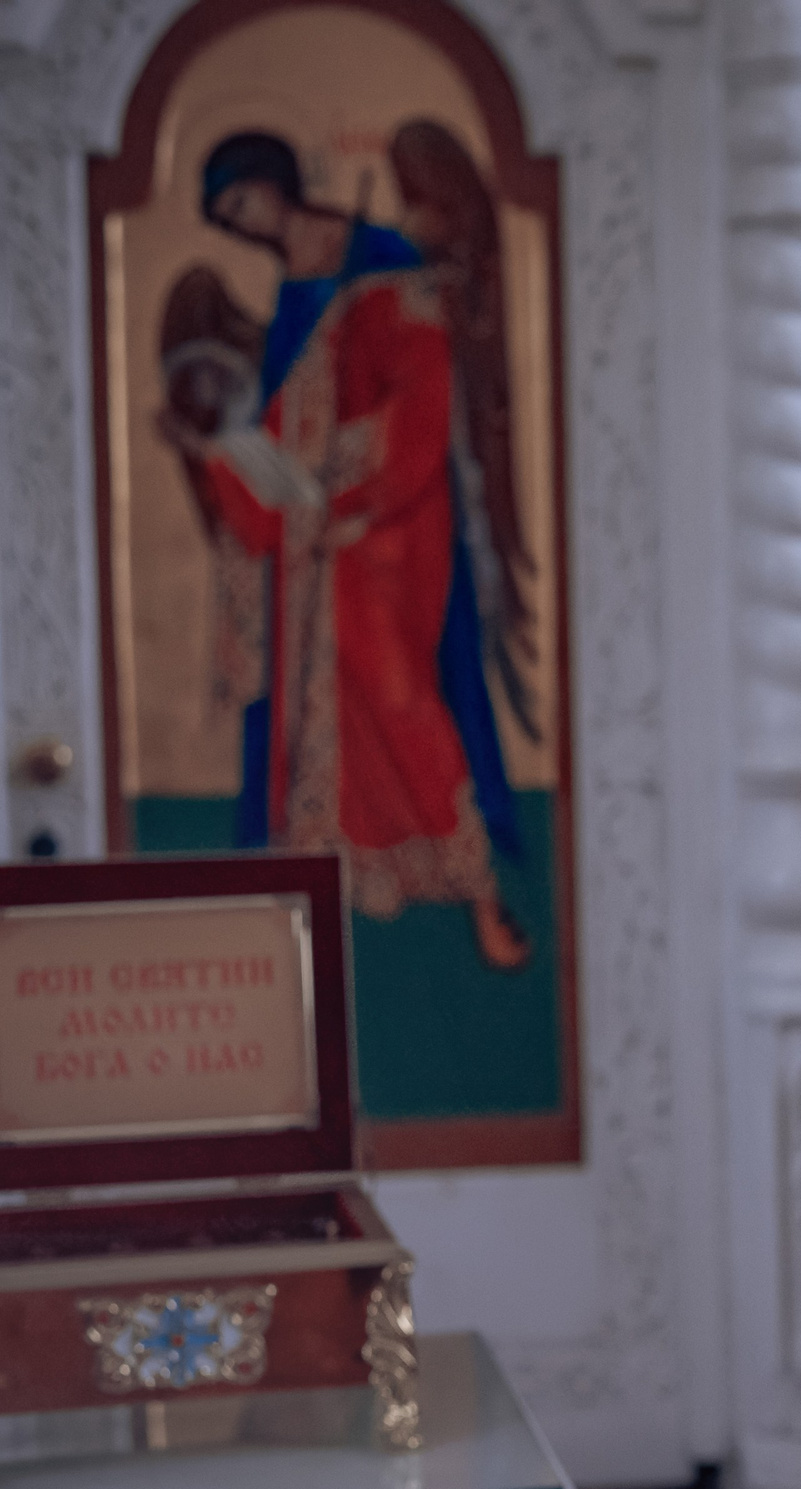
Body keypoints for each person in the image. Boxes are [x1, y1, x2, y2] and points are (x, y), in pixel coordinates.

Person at [157, 128, 532, 968]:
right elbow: (288, 411)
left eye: (240, 202)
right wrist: (221, 445)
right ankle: (326, 899)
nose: (239, 225)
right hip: (316, 541)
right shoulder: (295, 287)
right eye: (224, 217)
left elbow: (420, 399)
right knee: (310, 715)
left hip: (390, 533)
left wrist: (345, 487)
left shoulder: (384, 261)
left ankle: (479, 896)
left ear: (274, 181)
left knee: (402, 698)